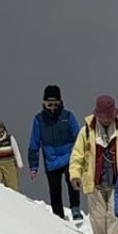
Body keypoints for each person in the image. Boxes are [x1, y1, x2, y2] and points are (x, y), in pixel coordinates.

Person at [69, 95, 118, 234]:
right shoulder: (86, 130)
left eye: (108, 117)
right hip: (94, 181)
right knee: (97, 218)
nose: (105, 120)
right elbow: (77, 155)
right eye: (103, 117)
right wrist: (75, 175)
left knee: (115, 214)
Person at [27, 85, 82, 221]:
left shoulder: (67, 116)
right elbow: (34, 143)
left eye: (55, 104)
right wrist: (34, 166)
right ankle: (58, 217)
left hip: (68, 156)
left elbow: (80, 137)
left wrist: (81, 157)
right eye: (49, 104)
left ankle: (75, 208)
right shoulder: (39, 119)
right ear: (44, 103)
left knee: (72, 180)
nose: (52, 107)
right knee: (54, 190)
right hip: (51, 160)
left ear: (61, 102)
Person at [0, 121, 24, 192]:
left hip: (10, 165)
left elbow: (16, 152)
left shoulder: (10, 138)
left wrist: (20, 165)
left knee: (13, 187)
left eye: (0, 132)